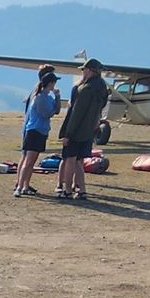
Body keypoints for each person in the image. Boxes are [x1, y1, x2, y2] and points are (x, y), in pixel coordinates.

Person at [56, 57, 107, 200]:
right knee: (79, 161)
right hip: (89, 131)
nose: (83, 72)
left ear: (90, 71)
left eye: (84, 69)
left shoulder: (85, 90)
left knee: (70, 159)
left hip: (77, 131)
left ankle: (67, 190)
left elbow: (76, 114)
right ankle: (82, 189)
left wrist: (68, 133)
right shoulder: (102, 89)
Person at [15, 65, 61, 196]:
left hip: (40, 131)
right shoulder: (40, 96)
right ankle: (20, 186)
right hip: (34, 130)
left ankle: (24, 185)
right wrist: (52, 108)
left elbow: (56, 110)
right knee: (28, 161)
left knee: (30, 161)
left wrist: (57, 97)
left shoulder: (47, 96)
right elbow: (47, 113)